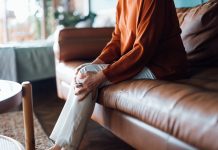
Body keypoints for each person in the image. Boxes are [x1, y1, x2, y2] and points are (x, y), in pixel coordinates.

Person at [49, 0, 187, 149]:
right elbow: (117, 40)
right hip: (141, 62)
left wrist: (99, 77)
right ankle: (61, 145)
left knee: (87, 74)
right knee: (84, 71)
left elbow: (142, 50)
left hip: (162, 67)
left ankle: (63, 147)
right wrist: (94, 64)